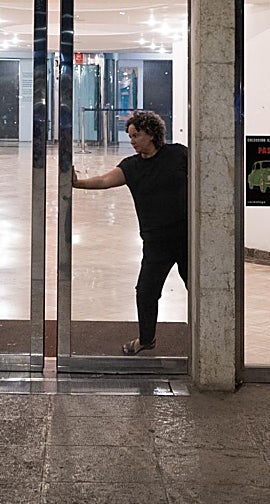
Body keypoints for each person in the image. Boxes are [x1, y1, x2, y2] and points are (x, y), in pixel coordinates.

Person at [72, 110, 188, 355]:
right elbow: (104, 181)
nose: (132, 140)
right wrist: (77, 183)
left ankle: (211, 337)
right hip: (156, 242)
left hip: (187, 237)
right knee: (146, 291)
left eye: (136, 135)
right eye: (130, 136)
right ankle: (146, 340)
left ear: (151, 134)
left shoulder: (178, 154)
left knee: (199, 290)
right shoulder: (131, 167)